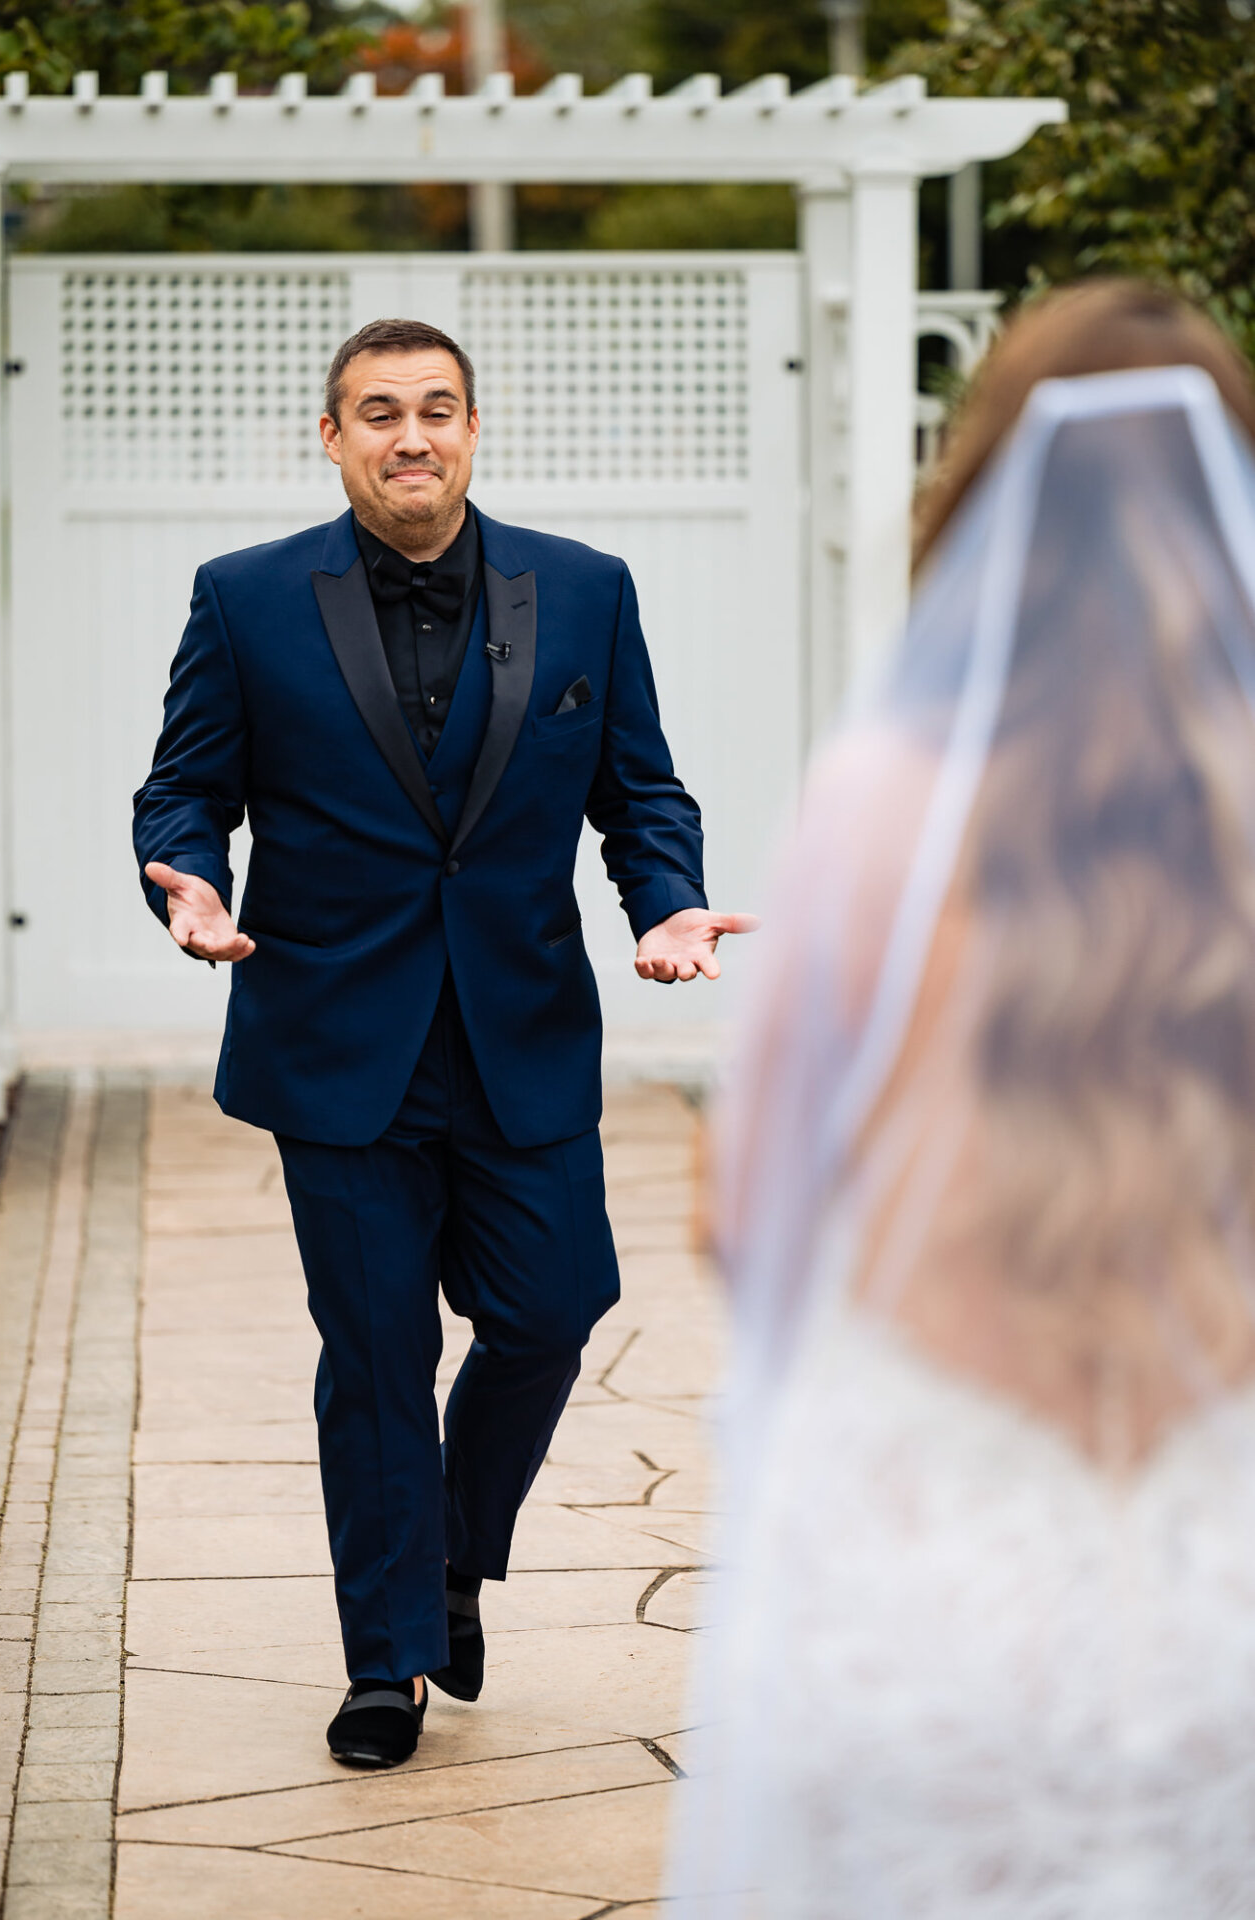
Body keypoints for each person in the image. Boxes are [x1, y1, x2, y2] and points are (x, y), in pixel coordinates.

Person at [667, 281, 1255, 1916]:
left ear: (986, 501)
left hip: (933, 1550)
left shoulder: (879, 807)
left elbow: (740, 1211)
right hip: (1225, 1560)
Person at [133, 318, 755, 1769]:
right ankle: (387, 1657)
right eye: (377, 412)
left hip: (521, 1031)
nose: (410, 434)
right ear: (333, 437)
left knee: (549, 1313)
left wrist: (665, 908)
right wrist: (188, 880)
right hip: (334, 1040)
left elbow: (641, 794)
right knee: (374, 1352)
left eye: (436, 408)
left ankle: (449, 1563)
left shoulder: (586, 591)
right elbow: (182, 792)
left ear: (474, 428)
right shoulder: (245, 599)